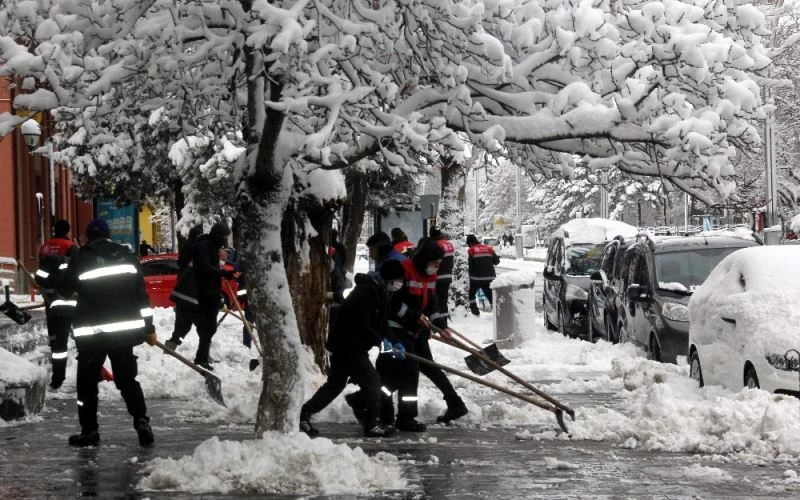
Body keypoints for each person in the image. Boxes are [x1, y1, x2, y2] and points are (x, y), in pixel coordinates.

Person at [57, 219, 156, 447]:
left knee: (87, 384)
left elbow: (63, 290)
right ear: (109, 235)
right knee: (127, 379)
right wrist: (148, 327)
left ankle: (89, 431)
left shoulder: (81, 258)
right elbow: (142, 297)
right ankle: (141, 420)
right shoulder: (127, 255)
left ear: (87, 237)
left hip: (93, 335)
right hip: (124, 333)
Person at [299, 260, 407, 438]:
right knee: (372, 382)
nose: (399, 284)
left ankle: (304, 414)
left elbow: (381, 325)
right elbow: (361, 325)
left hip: (351, 345)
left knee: (335, 385)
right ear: (388, 278)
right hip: (347, 345)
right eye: (398, 279)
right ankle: (371, 424)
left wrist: (395, 342)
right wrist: (381, 343)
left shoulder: (381, 293)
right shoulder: (365, 292)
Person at [400, 238, 468, 424]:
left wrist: (441, 325)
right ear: (424, 260)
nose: (437, 268)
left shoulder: (430, 275)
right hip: (399, 330)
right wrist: (413, 315)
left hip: (418, 329)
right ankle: (399, 413)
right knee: (403, 371)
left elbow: (432, 302)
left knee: (428, 367)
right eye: (435, 264)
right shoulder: (404, 270)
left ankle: (455, 403)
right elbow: (394, 301)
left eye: (439, 265)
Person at [34, 219, 80, 390]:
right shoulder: (71, 247)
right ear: (67, 231)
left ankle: (57, 378)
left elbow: (40, 273)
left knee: (56, 340)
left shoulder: (45, 247)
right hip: (70, 297)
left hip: (50, 299)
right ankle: (91, 369)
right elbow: (76, 272)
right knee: (81, 335)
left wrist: (43, 284)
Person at [190, 221, 237, 370]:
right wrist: (223, 273)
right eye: (223, 237)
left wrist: (226, 274)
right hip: (203, 292)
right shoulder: (204, 245)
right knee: (208, 327)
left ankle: (202, 357)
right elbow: (204, 268)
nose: (224, 241)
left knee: (209, 327)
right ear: (217, 234)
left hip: (211, 292)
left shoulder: (211, 246)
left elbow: (213, 268)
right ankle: (201, 358)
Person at [166, 225, 203, 351]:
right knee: (203, 327)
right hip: (190, 293)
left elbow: (180, 263)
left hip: (182, 288)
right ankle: (203, 354)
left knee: (182, 325)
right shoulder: (197, 250)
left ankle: (170, 347)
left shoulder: (186, 246)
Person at [466, 234, 500, 316]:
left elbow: (471, 265)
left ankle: (475, 313)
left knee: (471, 296)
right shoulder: (488, 248)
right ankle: (497, 314)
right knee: (491, 296)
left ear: (470, 243)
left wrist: (471, 274)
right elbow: (496, 261)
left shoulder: (472, 250)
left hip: (476, 279)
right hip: (490, 277)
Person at [428, 226, 454, 323]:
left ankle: (439, 323)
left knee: (435, 301)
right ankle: (444, 320)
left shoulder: (434, 245)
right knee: (443, 300)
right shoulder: (449, 244)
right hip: (447, 276)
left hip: (436, 277)